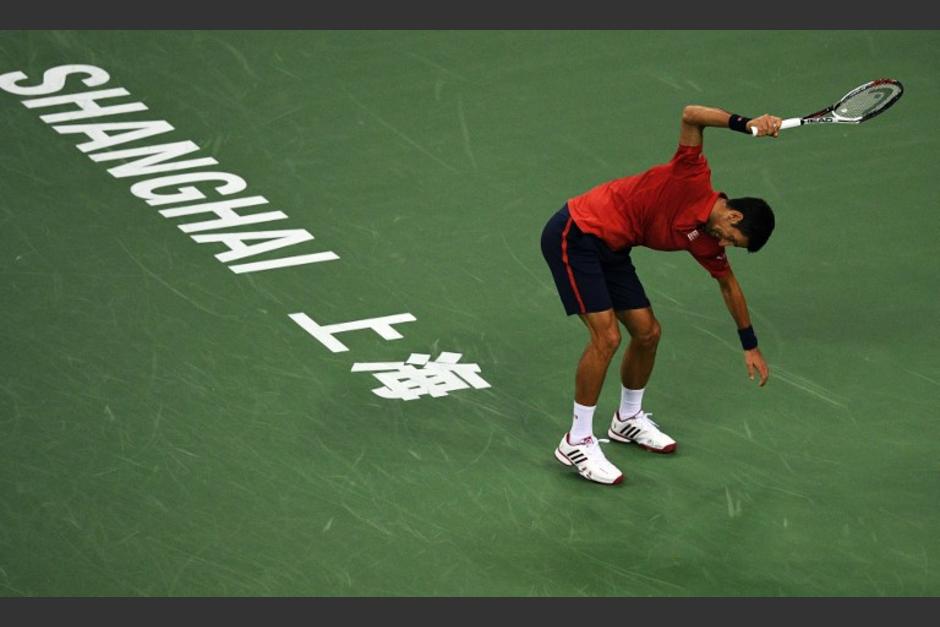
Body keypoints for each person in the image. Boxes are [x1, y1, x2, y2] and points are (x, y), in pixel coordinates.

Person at [540, 105, 781, 485]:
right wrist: (745, 123)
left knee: (648, 333)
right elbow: (691, 115)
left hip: (614, 249)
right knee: (607, 337)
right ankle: (577, 439)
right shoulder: (693, 175)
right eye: (731, 238)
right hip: (578, 231)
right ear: (733, 217)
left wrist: (749, 343)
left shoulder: (706, 242)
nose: (724, 245)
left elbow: (728, 284)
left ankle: (627, 420)